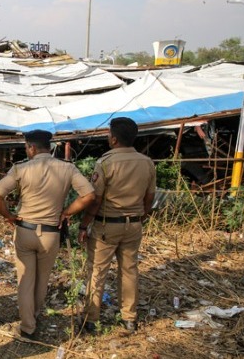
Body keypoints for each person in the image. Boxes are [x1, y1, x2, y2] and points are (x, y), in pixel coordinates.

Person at [0, 130, 94, 340]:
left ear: (31, 148)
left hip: (25, 230)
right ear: (49, 147)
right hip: (50, 233)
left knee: (25, 279)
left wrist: (8, 216)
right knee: (42, 279)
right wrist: (67, 212)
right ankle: (36, 314)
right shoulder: (67, 168)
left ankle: (28, 326)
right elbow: (89, 194)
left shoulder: (20, 168)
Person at [79, 117, 156, 334]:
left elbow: (95, 200)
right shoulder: (147, 162)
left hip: (107, 225)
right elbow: (149, 198)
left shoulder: (105, 163)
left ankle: (91, 319)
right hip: (133, 225)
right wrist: (141, 216)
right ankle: (129, 318)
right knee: (129, 271)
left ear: (113, 138)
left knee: (97, 271)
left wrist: (84, 225)